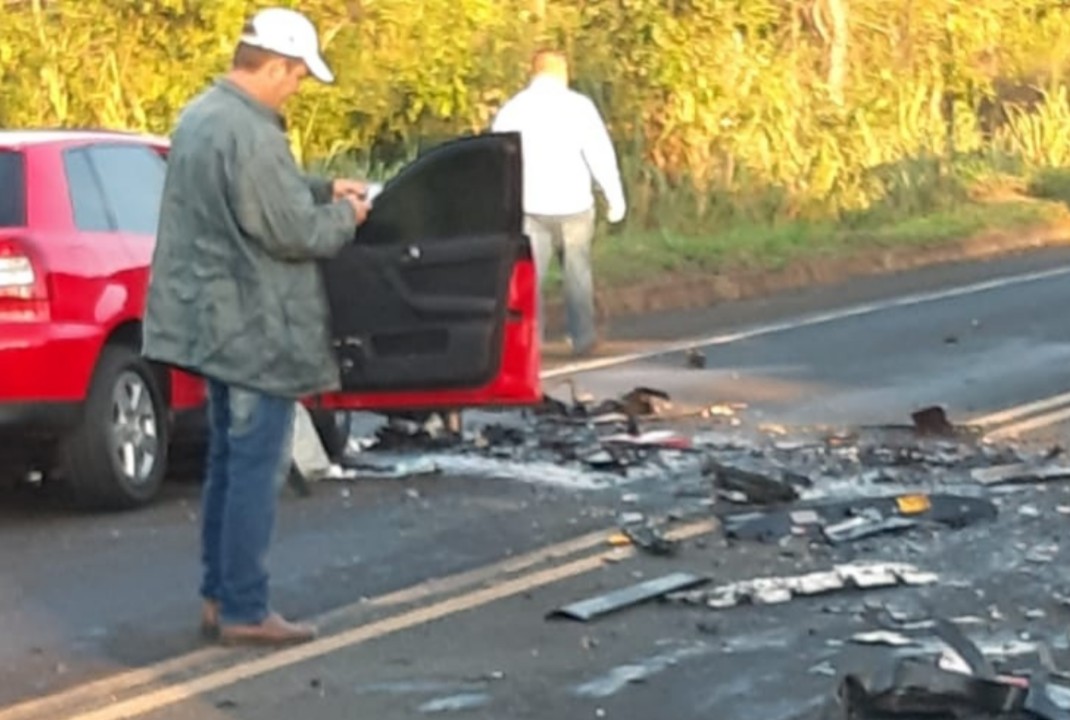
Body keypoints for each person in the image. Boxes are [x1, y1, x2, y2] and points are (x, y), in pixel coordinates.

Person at [142, 7, 370, 646]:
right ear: (273, 65)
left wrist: (322, 186)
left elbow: (257, 193)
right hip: (254, 324)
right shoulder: (253, 132)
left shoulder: (201, 115)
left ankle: (219, 595)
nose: (296, 88)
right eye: (296, 76)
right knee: (253, 468)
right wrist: (347, 216)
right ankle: (245, 606)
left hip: (211, 322)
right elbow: (290, 231)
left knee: (228, 460)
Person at [491, 49, 627, 357]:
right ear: (562, 73)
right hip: (574, 204)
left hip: (529, 206)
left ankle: (529, 342)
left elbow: (498, 159)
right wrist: (614, 198)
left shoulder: (512, 110)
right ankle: (582, 337)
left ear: (533, 72)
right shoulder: (580, 107)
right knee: (577, 272)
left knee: (529, 278)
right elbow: (599, 155)